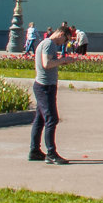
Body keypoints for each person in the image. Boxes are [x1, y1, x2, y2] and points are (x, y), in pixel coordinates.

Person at [30, 24, 74, 165]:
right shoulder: (49, 44)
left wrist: (60, 62)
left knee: (40, 119)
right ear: (61, 34)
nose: (65, 43)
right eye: (66, 40)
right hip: (45, 87)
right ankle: (51, 153)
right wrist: (64, 60)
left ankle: (34, 150)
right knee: (51, 119)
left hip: (42, 85)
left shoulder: (45, 43)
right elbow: (46, 64)